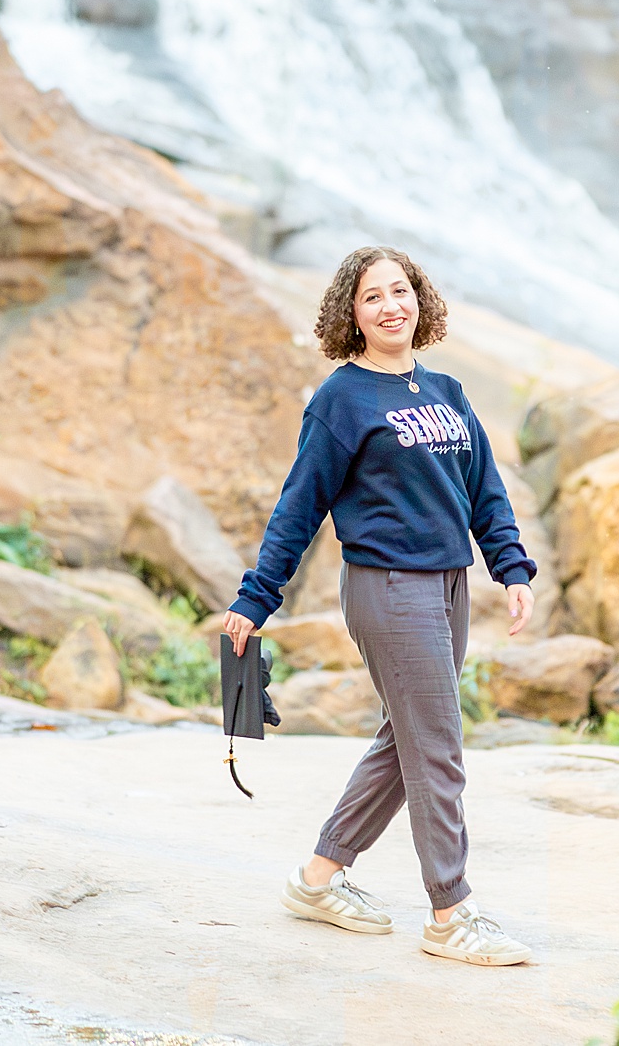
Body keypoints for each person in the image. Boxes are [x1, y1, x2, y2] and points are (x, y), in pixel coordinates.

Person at [222, 246, 538, 967]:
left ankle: (317, 879)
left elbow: (484, 490)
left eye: (402, 290)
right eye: (373, 296)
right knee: (437, 746)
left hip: (448, 582)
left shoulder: (448, 393)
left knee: (407, 740)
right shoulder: (342, 399)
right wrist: (256, 597)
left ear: (420, 300)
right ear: (351, 314)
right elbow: (299, 506)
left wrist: (510, 567)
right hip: (388, 587)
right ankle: (452, 913)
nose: (391, 305)